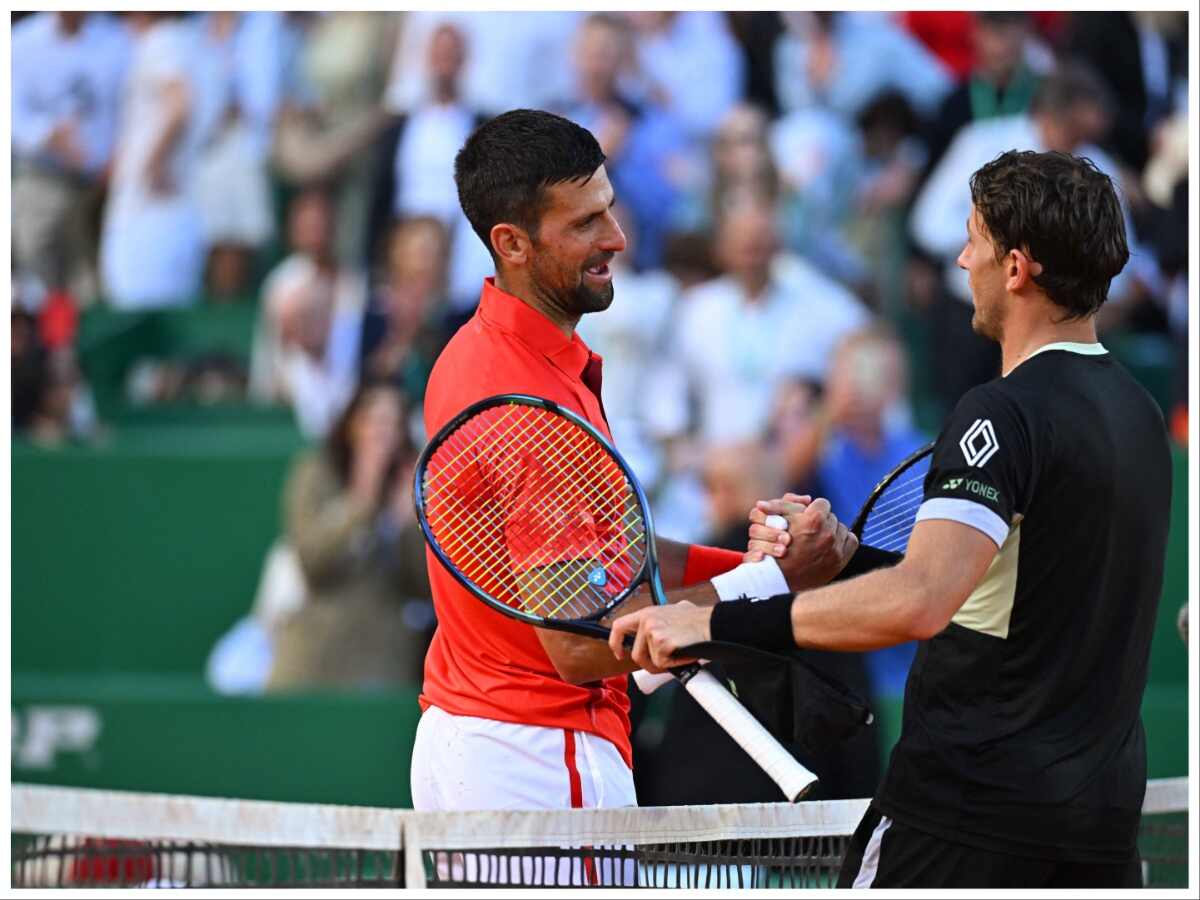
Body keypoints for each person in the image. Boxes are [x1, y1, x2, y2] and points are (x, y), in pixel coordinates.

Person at [609, 149, 1172, 888]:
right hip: (1095, 835)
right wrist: (844, 559)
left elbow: (920, 601)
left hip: (965, 827)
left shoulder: (1000, 413)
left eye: (975, 238)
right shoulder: (1141, 417)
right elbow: (1001, 606)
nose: (962, 257)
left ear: (1017, 268)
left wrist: (712, 625)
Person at [411, 109, 857, 816]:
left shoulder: (484, 355)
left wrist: (751, 571)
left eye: (609, 210)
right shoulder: (529, 408)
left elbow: (609, 556)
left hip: (483, 742)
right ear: (511, 243)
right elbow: (583, 643)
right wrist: (768, 586)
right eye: (583, 223)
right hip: (540, 757)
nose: (614, 238)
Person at [267, 381, 433, 690]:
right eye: (374, 420)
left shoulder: (412, 487)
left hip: (383, 661)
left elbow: (425, 585)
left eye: (393, 422)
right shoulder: (316, 474)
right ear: (351, 424)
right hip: (312, 657)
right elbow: (313, 562)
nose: (382, 434)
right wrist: (361, 502)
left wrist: (407, 524)